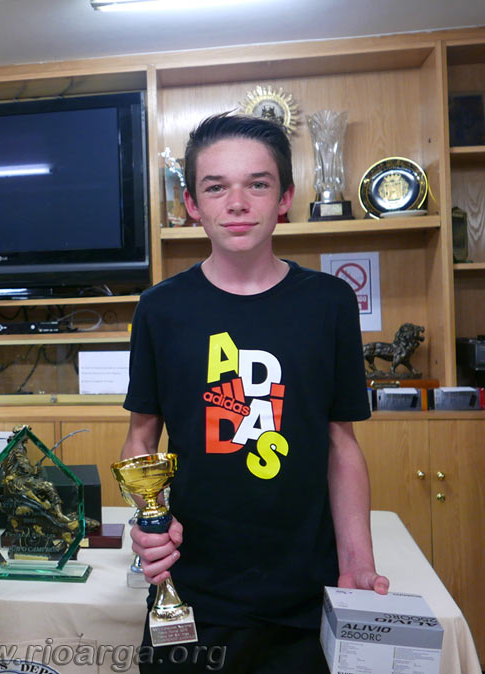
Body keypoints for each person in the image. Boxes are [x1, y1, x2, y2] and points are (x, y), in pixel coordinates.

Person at [121, 112, 389, 673]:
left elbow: (340, 443)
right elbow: (141, 438)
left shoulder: (329, 303)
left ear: (284, 197)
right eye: (216, 187)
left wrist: (358, 561)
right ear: (192, 204)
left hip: (304, 592)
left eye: (257, 184)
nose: (237, 203)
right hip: (190, 587)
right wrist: (150, 521)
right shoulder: (159, 309)